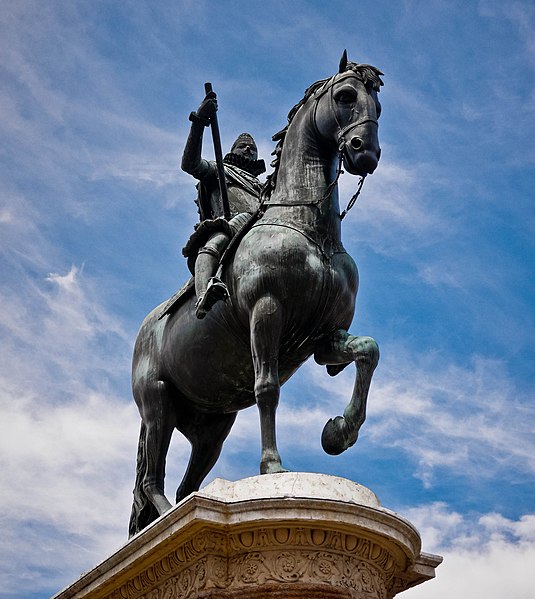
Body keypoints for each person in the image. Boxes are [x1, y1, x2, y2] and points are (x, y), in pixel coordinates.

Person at [181, 91, 265, 318]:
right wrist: (199, 121)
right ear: (232, 151)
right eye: (243, 146)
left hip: (264, 230)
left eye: (253, 148)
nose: (248, 149)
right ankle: (204, 293)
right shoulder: (220, 170)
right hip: (234, 224)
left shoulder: (265, 187)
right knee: (217, 240)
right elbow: (190, 164)